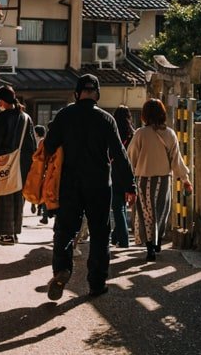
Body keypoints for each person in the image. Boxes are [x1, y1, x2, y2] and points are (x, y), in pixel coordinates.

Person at [43, 74, 134, 299]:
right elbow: (119, 154)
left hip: (69, 184)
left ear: (76, 93)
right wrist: (130, 185)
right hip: (99, 185)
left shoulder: (64, 115)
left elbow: (49, 145)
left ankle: (62, 269)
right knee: (100, 233)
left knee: (65, 230)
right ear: (97, 94)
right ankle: (96, 283)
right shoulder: (106, 119)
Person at [126, 97, 192, 261]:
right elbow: (176, 159)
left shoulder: (140, 133)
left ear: (145, 115)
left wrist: (127, 182)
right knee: (161, 213)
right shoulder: (170, 134)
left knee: (146, 214)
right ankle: (156, 242)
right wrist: (185, 180)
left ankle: (150, 247)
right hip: (163, 181)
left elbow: (130, 158)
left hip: (143, 180)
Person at [0, 85, 37, 244]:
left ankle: (6, 235)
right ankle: (14, 233)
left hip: (4, 163)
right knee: (17, 198)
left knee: (2, 197)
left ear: (1, 101)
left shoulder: (2, 118)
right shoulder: (26, 118)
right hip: (22, 165)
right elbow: (32, 145)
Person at [108, 105, 136, 247]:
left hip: (114, 171)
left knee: (117, 206)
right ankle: (116, 237)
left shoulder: (113, 131)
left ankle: (123, 239)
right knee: (122, 206)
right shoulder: (132, 133)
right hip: (128, 171)